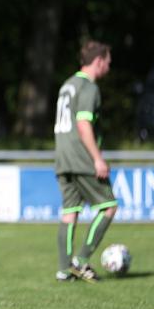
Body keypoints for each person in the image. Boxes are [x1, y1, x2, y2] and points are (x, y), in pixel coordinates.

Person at [53, 40, 116, 283]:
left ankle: (63, 270)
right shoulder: (89, 87)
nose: (109, 68)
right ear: (99, 61)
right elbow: (83, 124)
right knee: (109, 205)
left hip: (62, 156)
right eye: (108, 63)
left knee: (70, 212)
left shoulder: (68, 84)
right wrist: (97, 159)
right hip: (81, 157)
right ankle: (80, 260)